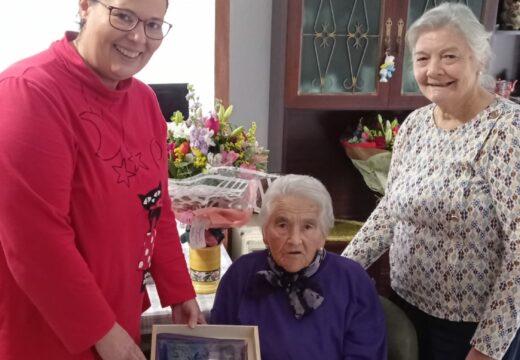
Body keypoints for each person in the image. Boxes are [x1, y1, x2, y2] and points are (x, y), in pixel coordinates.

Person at [0, 0, 205, 359]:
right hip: (50, 332)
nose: (139, 37)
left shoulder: (143, 100)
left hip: (114, 319)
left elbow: (157, 205)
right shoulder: (28, 92)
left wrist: (178, 289)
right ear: (84, 6)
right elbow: (36, 242)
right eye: (124, 16)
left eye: (154, 24)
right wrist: (104, 334)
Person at [342, 3, 520, 360]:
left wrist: (486, 347)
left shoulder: (507, 131)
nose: (434, 70)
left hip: (472, 328)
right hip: (406, 305)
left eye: (449, 56)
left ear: (479, 58)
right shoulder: (415, 126)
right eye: (422, 58)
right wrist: (335, 273)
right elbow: (388, 214)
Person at [210, 174, 387, 360]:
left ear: (323, 234)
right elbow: (219, 349)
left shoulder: (353, 281)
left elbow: (367, 355)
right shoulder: (240, 274)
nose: (294, 240)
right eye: (282, 225)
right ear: (264, 233)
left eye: (308, 227)